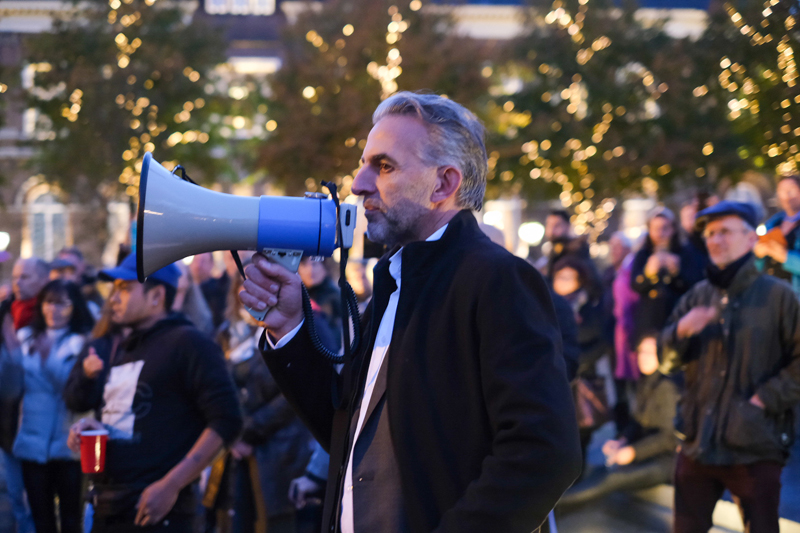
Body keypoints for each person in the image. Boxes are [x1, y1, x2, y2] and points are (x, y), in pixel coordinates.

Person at [239, 92, 581, 533]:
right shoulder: (393, 281)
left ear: (443, 184)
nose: (359, 184)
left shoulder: (496, 279)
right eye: (364, 164)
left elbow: (544, 453)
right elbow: (350, 434)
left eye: (383, 166)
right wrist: (290, 328)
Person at [63, 254, 242, 532]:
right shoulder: (123, 346)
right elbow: (138, 418)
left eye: (125, 288)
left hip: (160, 515)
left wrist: (171, 484)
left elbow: (228, 420)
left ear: (157, 295)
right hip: (109, 508)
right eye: (114, 289)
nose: (113, 299)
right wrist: (97, 427)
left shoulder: (189, 343)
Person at [661, 200, 800, 533]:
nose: (714, 240)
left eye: (725, 231)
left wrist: (763, 400)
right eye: (710, 233)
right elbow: (665, 360)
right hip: (697, 443)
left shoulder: (779, 296)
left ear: (751, 239)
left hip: (755, 446)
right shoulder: (697, 296)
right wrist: (680, 331)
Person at [204, 267, 317, 533]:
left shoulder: (293, 326)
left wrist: (249, 431)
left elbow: (295, 389)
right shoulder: (226, 333)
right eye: (246, 284)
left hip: (278, 449)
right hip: (233, 450)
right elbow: (216, 385)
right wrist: (233, 432)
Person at [3, 280, 95, 533]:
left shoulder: (83, 342)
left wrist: (48, 360)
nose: (54, 310)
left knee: (70, 518)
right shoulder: (25, 338)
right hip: (32, 442)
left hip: (68, 445)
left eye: (62, 303)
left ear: (74, 307)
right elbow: (11, 387)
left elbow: (76, 391)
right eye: (49, 302)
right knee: (40, 519)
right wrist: (10, 351)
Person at [559, 333, 679, 507]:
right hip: (645, 451)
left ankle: (553, 507)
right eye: (641, 351)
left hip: (665, 460)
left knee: (612, 477)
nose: (643, 357)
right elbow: (637, 422)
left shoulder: (667, 386)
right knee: (604, 470)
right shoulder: (645, 381)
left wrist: (632, 451)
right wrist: (622, 440)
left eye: (650, 352)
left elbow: (668, 438)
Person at [0, 257, 49, 533]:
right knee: (15, 496)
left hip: (39, 425)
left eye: (26, 276)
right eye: (16, 276)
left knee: (38, 501)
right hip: (8, 426)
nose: (18, 282)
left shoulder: (52, 318)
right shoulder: (6, 314)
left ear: (44, 280)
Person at [552, 256, 610, 466]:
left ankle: (578, 475)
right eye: (560, 276)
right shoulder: (545, 304)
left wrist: (576, 360)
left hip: (583, 377)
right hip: (556, 378)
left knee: (581, 432)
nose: (564, 281)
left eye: (570, 277)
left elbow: (602, 340)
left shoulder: (589, 306)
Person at [630, 206, 704, 340]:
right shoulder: (643, 254)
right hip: (650, 324)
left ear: (673, 229)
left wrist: (677, 273)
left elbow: (696, 284)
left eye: (665, 228)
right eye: (655, 229)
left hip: (678, 320)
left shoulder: (686, 252)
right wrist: (648, 274)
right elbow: (635, 285)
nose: (660, 234)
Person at [756, 174, 800, 298]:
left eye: (790, 190)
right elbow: (756, 267)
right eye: (781, 191)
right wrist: (759, 255)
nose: (786, 196)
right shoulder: (772, 224)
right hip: (770, 296)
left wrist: (785, 256)